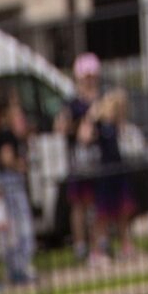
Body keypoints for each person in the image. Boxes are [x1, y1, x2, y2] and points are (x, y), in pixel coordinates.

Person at [60, 51, 105, 261]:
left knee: (97, 203)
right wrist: (80, 126)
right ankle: (80, 244)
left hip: (98, 158)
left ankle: (98, 243)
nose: (89, 79)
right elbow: (61, 126)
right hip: (78, 159)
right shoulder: (72, 103)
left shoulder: (101, 99)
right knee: (79, 204)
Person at [0, 88, 37, 286]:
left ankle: (15, 267)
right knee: (19, 225)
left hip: (5, 181)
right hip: (10, 181)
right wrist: (20, 165)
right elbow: (6, 157)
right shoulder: (5, 133)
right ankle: (20, 267)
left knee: (11, 228)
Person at [87, 88, 136, 262]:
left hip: (118, 173)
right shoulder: (99, 125)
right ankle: (96, 252)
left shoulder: (117, 126)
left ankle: (125, 245)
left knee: (123, 211)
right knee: (102, 216)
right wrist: (93, 115)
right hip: (105, 175)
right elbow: (86, 137)